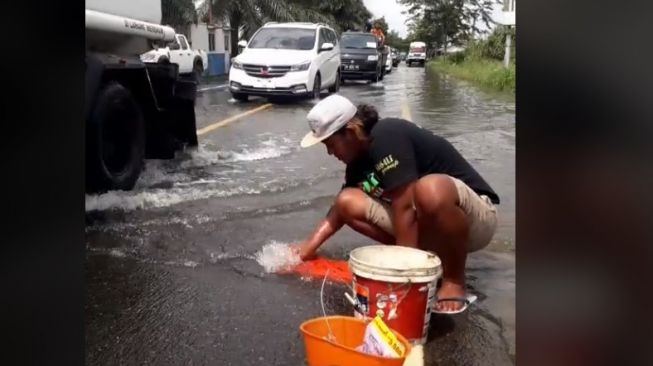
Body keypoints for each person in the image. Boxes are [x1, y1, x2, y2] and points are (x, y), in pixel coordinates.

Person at [292, 94, 499, 313]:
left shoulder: (387, 136)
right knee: (347, 201)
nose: (330, 153)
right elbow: (338, 212)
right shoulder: (356, 164)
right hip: (430, 229)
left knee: (429, 189)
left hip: (474, 220)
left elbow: (405, 207)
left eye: (331, 144)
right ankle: (426, 263)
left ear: (351, 132)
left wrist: (403, 277)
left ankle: (453, 281)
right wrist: (307, 249)